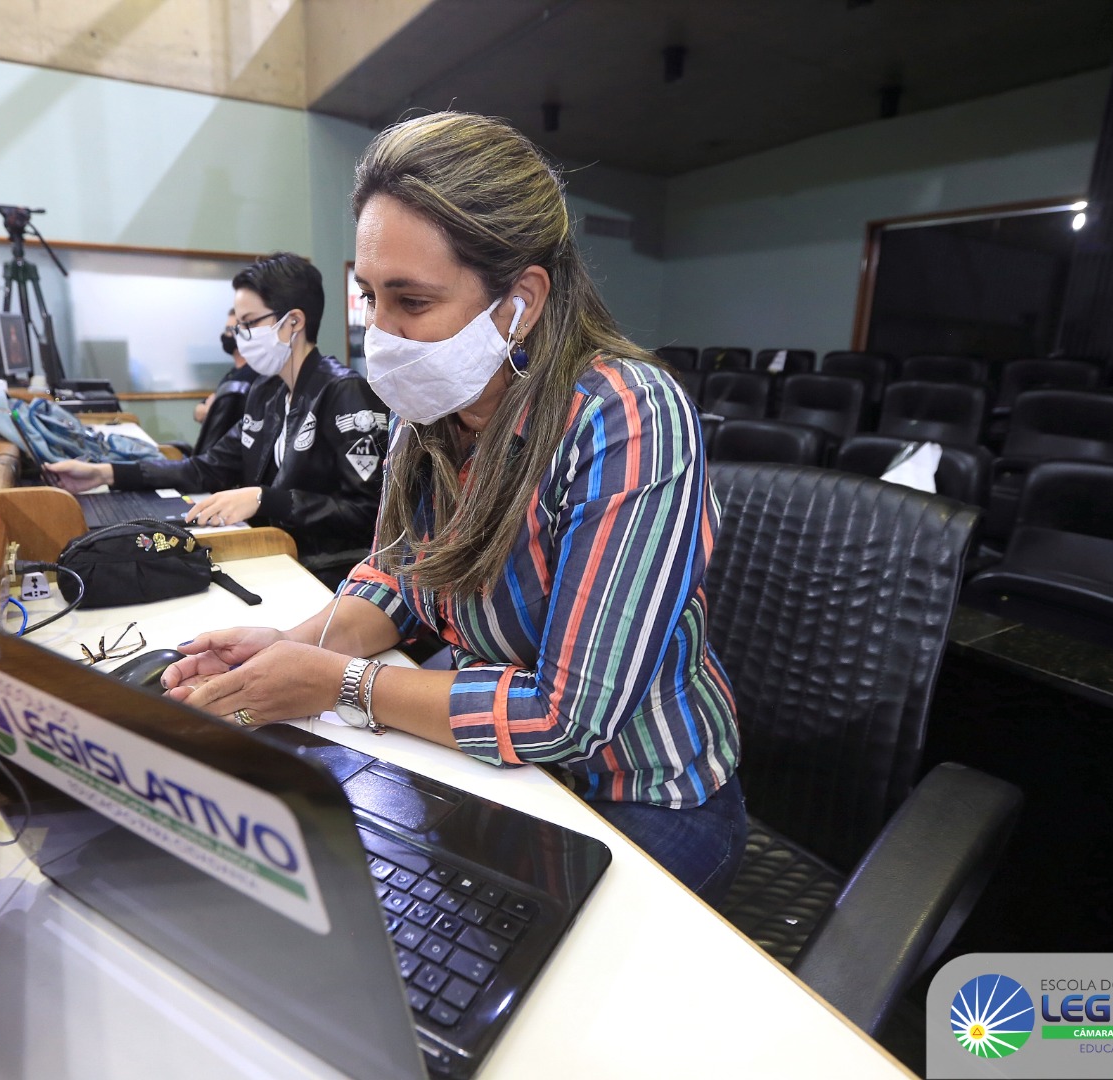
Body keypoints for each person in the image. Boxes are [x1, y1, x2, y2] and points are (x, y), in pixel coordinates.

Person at [158, 113, 747, 904]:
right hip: (507, 772)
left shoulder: (628, 418)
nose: (382, 333)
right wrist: (284, 656)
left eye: (412, 300)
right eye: (370, 296)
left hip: (640, 797)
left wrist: (339, 683)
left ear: (520, 300)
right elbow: (395, 579)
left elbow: (569, 715)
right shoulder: (432, 409)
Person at [47, 253, 387, 581]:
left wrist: (265, 498)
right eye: (238, 325)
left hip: (323, 568)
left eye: (249, 323)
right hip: (271, 553)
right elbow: (206, 468)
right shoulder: (265, 391)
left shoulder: (343, 391)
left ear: (294, 322)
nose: (239, 336)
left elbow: (369, 511)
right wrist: (106, 473)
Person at [191, 308, 256, 457]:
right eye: (226, 330)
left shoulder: (252, 375)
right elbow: (201, 410)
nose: (226, 335)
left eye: (230, 330)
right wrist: (207, 409)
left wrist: (209, 410)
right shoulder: (232, 374)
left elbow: (220, 413)